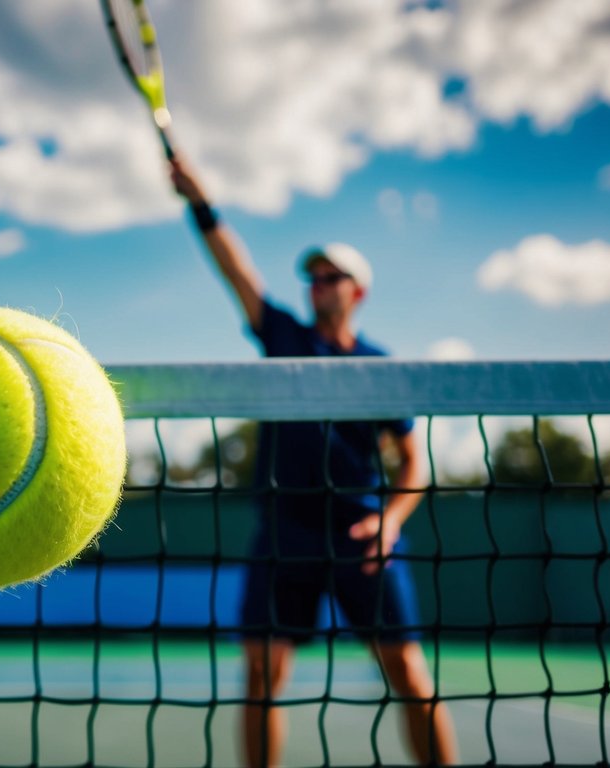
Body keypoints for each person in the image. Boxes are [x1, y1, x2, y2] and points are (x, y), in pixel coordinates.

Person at [168, 156, 458, 767]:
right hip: (284, 535)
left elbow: (414, 464)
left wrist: (391, 521)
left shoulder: (382, 367)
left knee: (408, 671)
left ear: (358, 292)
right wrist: (201, 202)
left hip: (361, 535)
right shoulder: (284, 339)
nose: (320, 285)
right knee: (261, 679)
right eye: (315, 277)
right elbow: (236, 271)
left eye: (332, 277)